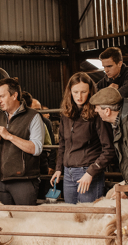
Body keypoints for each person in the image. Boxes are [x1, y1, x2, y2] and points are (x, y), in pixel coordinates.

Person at [50, 72, 115, 204]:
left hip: (88, 172)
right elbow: (62, 143)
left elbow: (109, 149)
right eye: (75, 92)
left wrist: (91, 172)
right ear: (70, 92)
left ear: (90, 92)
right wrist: (58, 169)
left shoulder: (97, 114)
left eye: (83, 92)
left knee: (88, 216)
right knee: (72, 216)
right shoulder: (66, 115)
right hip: (68, 173)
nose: (79, 96)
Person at [0, 78, 45, 205]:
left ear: (14, 95)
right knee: (3, 221)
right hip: (1, 180)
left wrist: (9, 136)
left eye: (2, 96)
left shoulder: (33, 116)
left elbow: (36, 148)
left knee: (24, 221)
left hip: (24, 181)